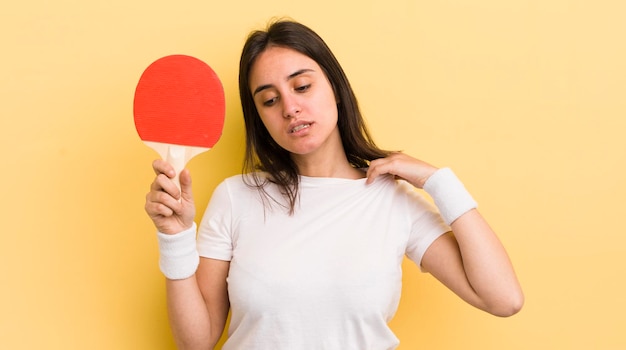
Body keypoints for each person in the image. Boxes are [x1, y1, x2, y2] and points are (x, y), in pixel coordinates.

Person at [144, 19, 523, 350]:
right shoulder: (236, 196)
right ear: (260, 118)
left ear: (335, 88)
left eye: (303, 87)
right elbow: (195, 343)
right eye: (270, 100)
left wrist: (437, 181)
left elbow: (503, 299)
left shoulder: (392, 201)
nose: (289, 108)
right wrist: (175, 237)